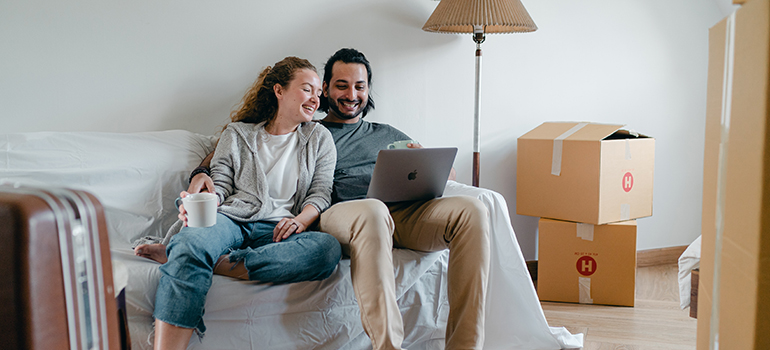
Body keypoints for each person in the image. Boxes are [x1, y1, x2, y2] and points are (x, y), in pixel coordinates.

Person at [189, 48, 490, 350]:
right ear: (326, 90)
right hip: (345, 214)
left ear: (368, 90)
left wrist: (422, 160)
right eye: (341, 85)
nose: (352, 94)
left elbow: (446, 173)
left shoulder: (386, 132)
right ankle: (387, 345)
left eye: (360, 86)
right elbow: (233, 146)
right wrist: (202, 171)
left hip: (400, 212)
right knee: (373, 210)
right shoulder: (308, 128)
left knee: (474, 210)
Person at [145, 56, 342, 350]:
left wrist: (301, 220)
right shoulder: (238, 134)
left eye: (317, 92)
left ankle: (213, 262)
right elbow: (221, 186)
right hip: (233, 219)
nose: (316, 99)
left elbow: (321, 193)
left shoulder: (319, 138)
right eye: (306, 89)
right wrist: (200, 199)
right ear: (279, 90)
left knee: (327, 250)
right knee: (191, 242)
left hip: (280, 228)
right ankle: (187, 256)